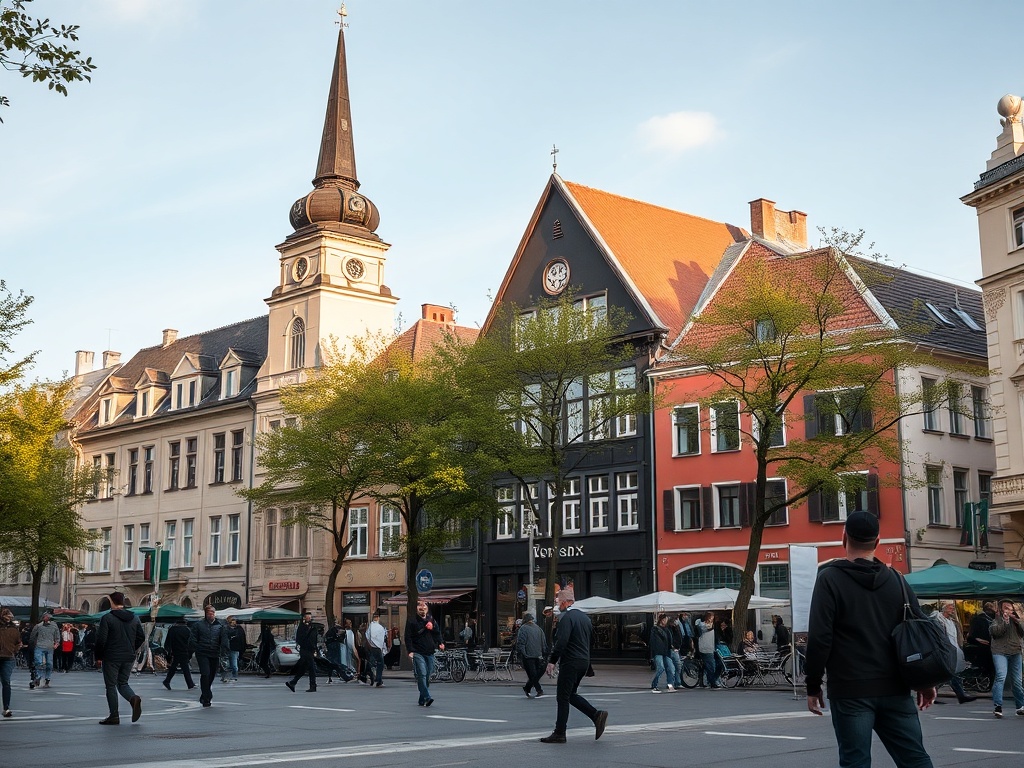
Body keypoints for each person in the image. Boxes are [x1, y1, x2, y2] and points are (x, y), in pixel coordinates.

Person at [805, 510, 936, 768]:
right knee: (915, 758)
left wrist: (813, 685)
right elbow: (920, 632)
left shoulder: (829, 579)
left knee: (855, 761)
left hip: (851, 688)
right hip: (896, 687)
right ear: (877, 541)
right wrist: (926, 680)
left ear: (844, 538)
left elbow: (820, 637)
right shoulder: (898, 581)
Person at [539, 588, 609, 744]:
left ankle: (560, 733)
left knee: (562, 697)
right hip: (583, 661)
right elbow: (590, 642)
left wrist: (552, 661)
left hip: (570, 661)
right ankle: (596, 715)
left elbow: (561, 642)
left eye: (558, 602)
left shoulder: (567, 618)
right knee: (570, 694)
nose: (558, 605)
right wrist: (588, 664)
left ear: (564, 602)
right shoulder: (585, 619)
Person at [94, 592, 145, 725]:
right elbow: (141, 636)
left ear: (111, 602)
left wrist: (98, 656)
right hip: (128, 656)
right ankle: (133, 698)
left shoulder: (107, 618)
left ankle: (114, 715)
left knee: (111, 685)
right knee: (123, 683)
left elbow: (101, 640)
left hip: (111, 656)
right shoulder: (134, 618)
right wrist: (132, 648)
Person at [930, 601, 976, 705]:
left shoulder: (953, 621)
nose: (953, 610)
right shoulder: (937, 620)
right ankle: (960, 695)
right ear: (944, 608)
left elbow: (956, 636)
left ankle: (960, 695)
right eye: (951, 608)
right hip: (944, 650)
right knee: (948, 673)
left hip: (953, 650)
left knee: (952, 673)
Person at [989, 598, 1024, 718]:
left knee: (1017, 681)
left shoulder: (1016, 620)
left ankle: (1020, 706)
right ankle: (998, 706)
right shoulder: (996, 621)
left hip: (1015, 651)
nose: (1008, 610)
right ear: (1000, 609)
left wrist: (1018, 621)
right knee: (1001, 676)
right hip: (1000, 651)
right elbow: (996, 633)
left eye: (1010, 608)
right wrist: (1005, 621)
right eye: (1006, 608)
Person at [405, 600, 444, 706]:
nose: (422, 607)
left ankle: (422, 699)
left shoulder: (431, 619)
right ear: (416, 608)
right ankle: (427, 697)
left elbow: (437, 632)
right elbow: (407, 637)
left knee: (428, 675)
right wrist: (410, 651)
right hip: (418, 652)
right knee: (422, 674)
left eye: (424, 605)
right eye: (419, 605)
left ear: (428, 608)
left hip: (430, 652)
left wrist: (440, 643)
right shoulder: (412, 621)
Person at [190, 604, 229, 708]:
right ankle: (207, 697)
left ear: (214, 614)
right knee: (205, 673)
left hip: (214, 653)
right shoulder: (199, 625)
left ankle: (205, 693)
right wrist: (196, 648)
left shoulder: (220, 625)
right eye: (208, 613)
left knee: (212, 675)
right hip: (202, 653)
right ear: (205, 614)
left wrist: (224, 651)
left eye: (212, 613)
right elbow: (193, 638)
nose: (210, 615)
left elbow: (224, 639)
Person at [286, 611, 319, 693]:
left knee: (304, 668)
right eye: (308, 617)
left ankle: (293, 682)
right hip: (305, 650)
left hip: (310, 650)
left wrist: (315, 648)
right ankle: (312, 686)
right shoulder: (302, 627)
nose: (309, 618)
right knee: (311, 668)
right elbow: (300, 639)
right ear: (304, 618)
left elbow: (314, 639)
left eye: (310, 617)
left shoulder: (312, 627)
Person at [516, 612, 546, 699]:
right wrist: (543, 653)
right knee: (534, 674)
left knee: (532, 674)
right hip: (538, 655)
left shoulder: (523, 628)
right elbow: (543, 642)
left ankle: (537, 689)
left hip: (528, 656)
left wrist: (523, 653)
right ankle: (528, 688)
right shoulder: (539, 629)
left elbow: (521, 642)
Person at [0, 607, 24, 717]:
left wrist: (15, 649)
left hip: (8, 657)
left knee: (6, 682)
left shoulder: (14, 629)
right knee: (6, 682)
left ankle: (6, 708)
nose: (8, 619)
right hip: (6, 656)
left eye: (10, 617)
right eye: (6, 616)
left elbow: (18, 642)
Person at [162, 616, 195, 691]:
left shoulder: (172, 629)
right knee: (185, 668)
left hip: (175, 651)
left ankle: (167, 681)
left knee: (174, 667)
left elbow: (167, 641)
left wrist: (168, 652)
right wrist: (190, 652)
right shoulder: (187, 630)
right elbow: (191, 643)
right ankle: (190, 684)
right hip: (184, 651)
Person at [966, 601, 996, 679]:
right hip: (985, 649)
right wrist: (977, 640)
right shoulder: (980, 619)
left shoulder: (992, 619)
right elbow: (970, 637)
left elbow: (970, 636)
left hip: (987, 648)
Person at [29, 613, 59, 688]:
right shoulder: (38, 626)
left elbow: (57, 637)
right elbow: (32, 636)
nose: (47, 619)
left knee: (49, 663)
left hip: (49, 647)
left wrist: (56, 644)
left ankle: (47, 678)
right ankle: (38, 676)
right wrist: (32, 644)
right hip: (39, 646)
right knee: (38, 662)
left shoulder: (54, 626)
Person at [648, 613, 674, 693]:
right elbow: (653, 642)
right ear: (661, 620)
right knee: (661, 668)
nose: (666, 621)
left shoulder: (666, 629)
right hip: (658, 652)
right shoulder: (655, 629)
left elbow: (669, 639)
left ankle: (670, 685)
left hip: (666, 651)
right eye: (665, 620)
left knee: (670, 668)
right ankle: (654, 685)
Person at [696, 612, 720, 689]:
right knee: (711, 666)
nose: (712, 619)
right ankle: (712, 682)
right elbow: (706, 629)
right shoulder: (702, 625)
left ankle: (710, 680)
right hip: (705, 648)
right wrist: (711, 625)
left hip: (711, 647)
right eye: (711, 617)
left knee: (714, 665)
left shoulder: (712, 625)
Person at [366, 611, 388, 688]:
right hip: (378, 648)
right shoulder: (380, 627)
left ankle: (373, 678)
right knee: (380, 664)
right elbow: (383, 638)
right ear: (378, 618)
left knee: (373, 663)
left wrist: (370, 644)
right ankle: (378, 680)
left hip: (372, 647)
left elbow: (367, 636)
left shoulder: (370, 627)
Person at [222, 616, 244, 683]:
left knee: (234, 664)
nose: (234, 622)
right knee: (227, 664)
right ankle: (226, 677)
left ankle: (234, 676)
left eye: (234, 621)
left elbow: (241, 639)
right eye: (232, 621)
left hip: (234, 648)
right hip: (227, 648)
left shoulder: (238, 629)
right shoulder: (225, 628)